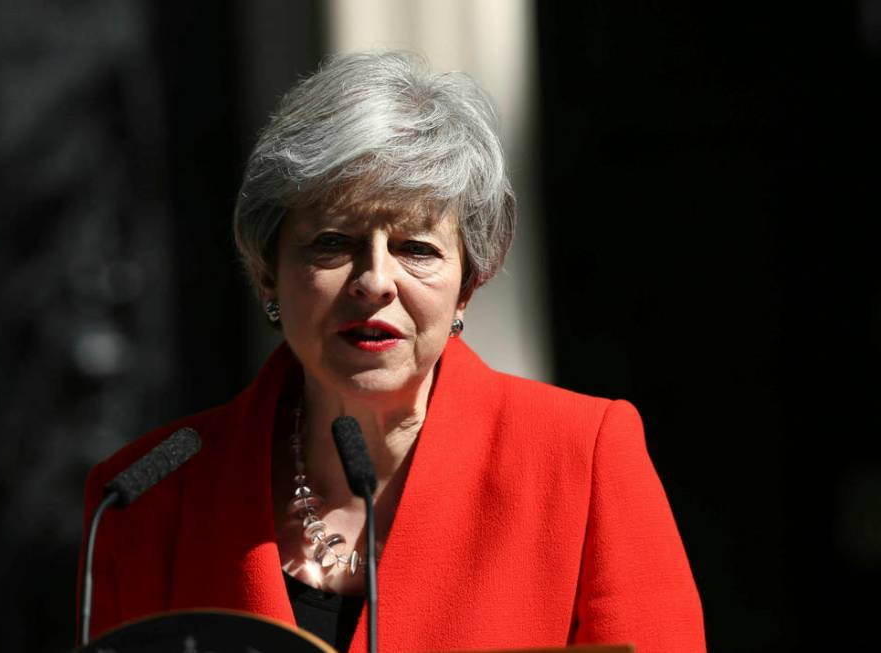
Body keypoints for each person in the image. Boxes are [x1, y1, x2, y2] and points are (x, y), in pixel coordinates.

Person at [79, 51, 705, 653]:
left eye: (416, 248)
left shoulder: (581, 461)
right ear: (268, 272)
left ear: (469, 281)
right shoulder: (147, 499)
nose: (375, 280)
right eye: (332, 241)